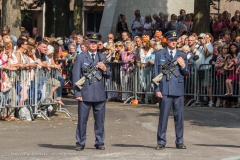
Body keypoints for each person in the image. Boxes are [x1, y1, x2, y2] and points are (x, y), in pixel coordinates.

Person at [72, 33, 111, 151]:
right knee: (82, 120)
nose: (93, 44)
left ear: (99, 44)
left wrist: (105, 69)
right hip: (85, 93)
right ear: (87, 43)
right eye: (91, 42)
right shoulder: (81, 57)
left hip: (99, 94)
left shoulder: (102, 57)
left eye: (96, 42)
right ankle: (80, 142)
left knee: (100, 120)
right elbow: (76, 76)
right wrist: (77, 93)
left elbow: (109, 75)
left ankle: (99, 142)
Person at [154, 30, 189, 150]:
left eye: (175, 40)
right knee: (163, 117)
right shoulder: (160, 54)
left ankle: (179, 141)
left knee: (179, 117)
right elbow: (156, 73)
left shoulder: (182, 55)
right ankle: (161, 141)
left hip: (178, 90)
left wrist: (183, 65)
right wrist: (157, 89)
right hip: (164, 90)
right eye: (171, 40)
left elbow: (186, 72)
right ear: (167, 41)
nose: (174, 42)